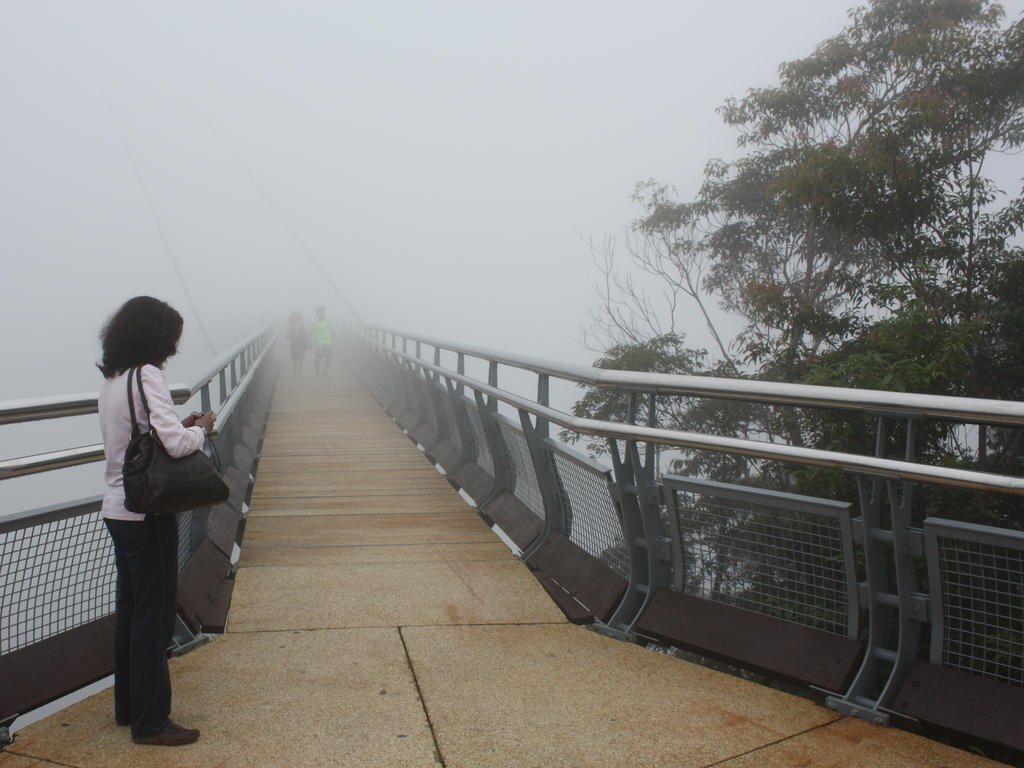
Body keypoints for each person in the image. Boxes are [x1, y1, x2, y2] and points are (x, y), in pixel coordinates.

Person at [97, 296, 214, 747]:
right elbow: (179, 445)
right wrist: (202, 428)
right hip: (148, 513)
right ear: (156, 336)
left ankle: (128, 707)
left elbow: (135, 438)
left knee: (131, 612)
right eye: (171, 337)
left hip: (117, 509)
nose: (173, 348)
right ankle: (152, 721)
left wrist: (176, 426)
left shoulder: (113, 379)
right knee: (155, 617)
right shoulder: (148, 375)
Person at [309, 305, 333, 378]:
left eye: (323, 312)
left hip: (327, 342)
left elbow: (332, 331)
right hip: (318, 343)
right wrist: (310, 342)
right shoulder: (314, 323)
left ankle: (325, 372)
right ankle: (317, 374)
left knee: (328, 358)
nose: (322, 313)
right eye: (320, 312)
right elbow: (310, 333)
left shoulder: (328, 321)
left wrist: (334, 342)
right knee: (317, 359)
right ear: (317, 313)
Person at [286, 311, 310, 377]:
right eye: (294, 316)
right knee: (294, 360)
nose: (296, 317)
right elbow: (287, 336)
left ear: (299, 317)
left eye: (297, 316)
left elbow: (307, 333)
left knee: (301, 359)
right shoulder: (290, 325)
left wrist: (308, 335)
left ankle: (299, 374)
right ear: (292, 317)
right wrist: (293, 336)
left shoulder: (302, 325)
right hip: (293, 345)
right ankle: (295, 373)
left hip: (301, 344)